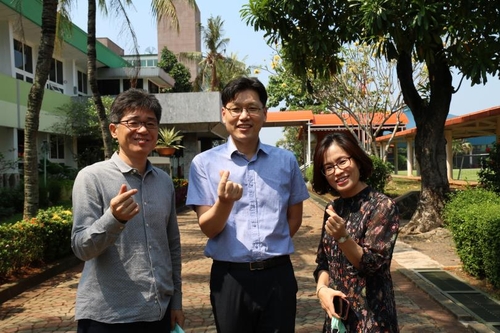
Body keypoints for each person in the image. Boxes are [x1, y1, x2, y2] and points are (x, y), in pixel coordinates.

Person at [186, 76, 309, 333]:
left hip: (278, 275)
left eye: (252, 108)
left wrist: (270, 247)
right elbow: (208, 228)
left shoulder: (286, 161)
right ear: (224, 113)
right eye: (236, 108)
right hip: (230, 278)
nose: (244, 116)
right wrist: (224, 203)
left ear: (264, 114)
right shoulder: (204, 163)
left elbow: (294, 219)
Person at [71, 88, 184, 333]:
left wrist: (176, 301)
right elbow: (81, 247)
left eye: (150, 123)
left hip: (158, 314)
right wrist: (114, 219)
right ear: (114, 130)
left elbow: (172, 246)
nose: (142, 130)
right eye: (133, 122)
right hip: (107, 318)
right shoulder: (91, 177)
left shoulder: (164, 182)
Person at [311, 132, 399, 332]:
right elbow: (323, 263)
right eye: (329, 167)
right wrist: (321, 289)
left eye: (342, 161)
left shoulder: (382, 206)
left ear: (357, 160)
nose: (337, 171)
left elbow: (372, 265)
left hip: (372, 319)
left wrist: (343, 237)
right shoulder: (333, 208)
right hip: (338, 318)